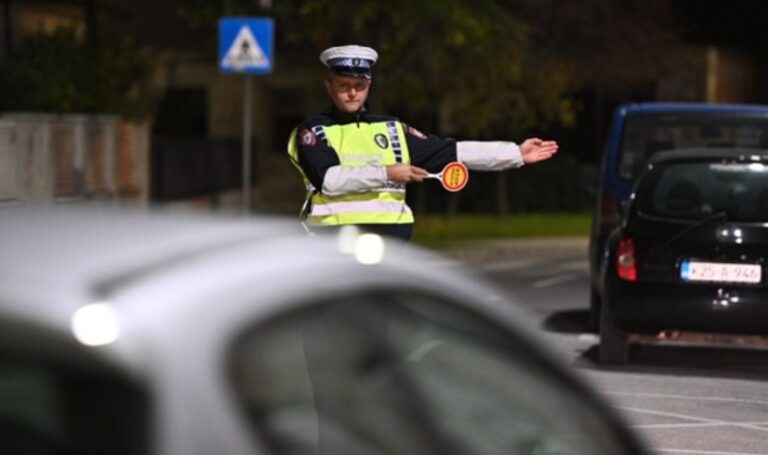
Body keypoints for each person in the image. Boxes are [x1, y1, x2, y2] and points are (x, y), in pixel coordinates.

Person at [287, 44, 558, 241]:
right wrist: (387, 173)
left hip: (391, 239)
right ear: (329, 86)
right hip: (332, 239)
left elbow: (453, 151)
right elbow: (330, 180)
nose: (352, 93)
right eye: (344, 85)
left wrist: (516, 153)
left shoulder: (392, 128)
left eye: (359, 85)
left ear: (370, 85)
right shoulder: (313, 130)